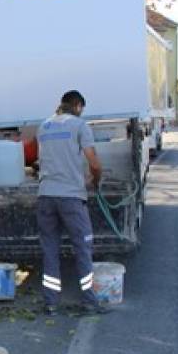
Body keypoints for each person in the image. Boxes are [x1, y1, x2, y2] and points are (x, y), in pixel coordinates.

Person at [36, 90, 108, 317]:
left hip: (45, 196)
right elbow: (94, 163)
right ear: (77, 105)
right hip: (71, 197)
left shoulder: (44, 127)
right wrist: (95, 182)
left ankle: (51, 303)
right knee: (82, 247)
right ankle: (89, 301)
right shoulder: (79, 125)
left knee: (50, 249)